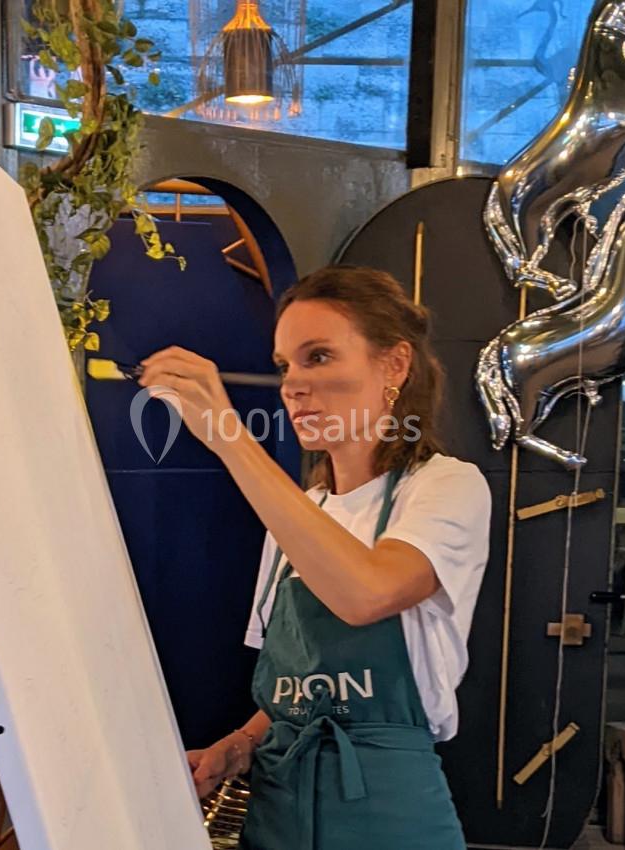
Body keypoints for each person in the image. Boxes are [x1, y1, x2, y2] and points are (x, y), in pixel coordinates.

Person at [137, 265, 491, 849]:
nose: (293, 385)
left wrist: (229, 436)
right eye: (284, 366)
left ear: (394, 365)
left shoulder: (444, 488)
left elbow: (367, 593)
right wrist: (236, 747)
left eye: (319, 357)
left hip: (388, 816)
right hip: (276, 815)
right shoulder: (299, 512)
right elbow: (292, 694)